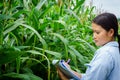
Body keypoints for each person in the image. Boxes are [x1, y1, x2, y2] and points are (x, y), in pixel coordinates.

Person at [57, 12, 120, 80]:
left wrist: (65, 79)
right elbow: (90, 77)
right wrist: (70, 71)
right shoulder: (116, 50)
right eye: (93, 32)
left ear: (111, 32)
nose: (94, 36)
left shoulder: (106, 54)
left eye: (97, 32)